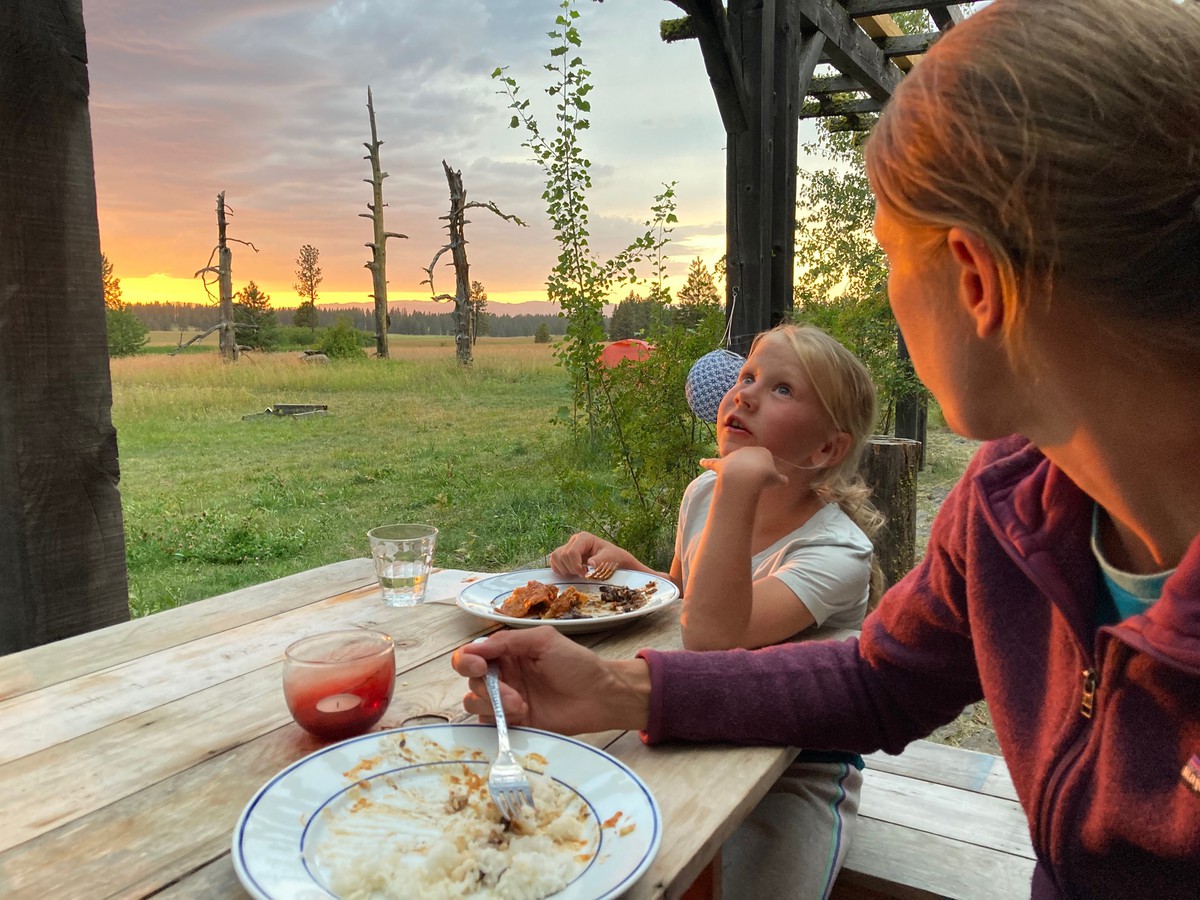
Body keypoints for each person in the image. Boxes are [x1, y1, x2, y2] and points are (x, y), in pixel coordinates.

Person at [453, 1, 1200, 897]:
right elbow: (879, 681)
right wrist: (619, 692)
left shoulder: (971, 508)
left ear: (975, 280)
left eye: (889, 253)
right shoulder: (1011, 500)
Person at [550, 323, 881, 898]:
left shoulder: (836, 550)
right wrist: (630, 568)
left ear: (826, 448)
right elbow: (687, 595)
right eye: (748, 376)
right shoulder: (704, 494)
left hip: (797, 765)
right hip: (694, 725)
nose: (745, 394)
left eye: (782, 389)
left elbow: (710, 636)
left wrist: (738, 488)